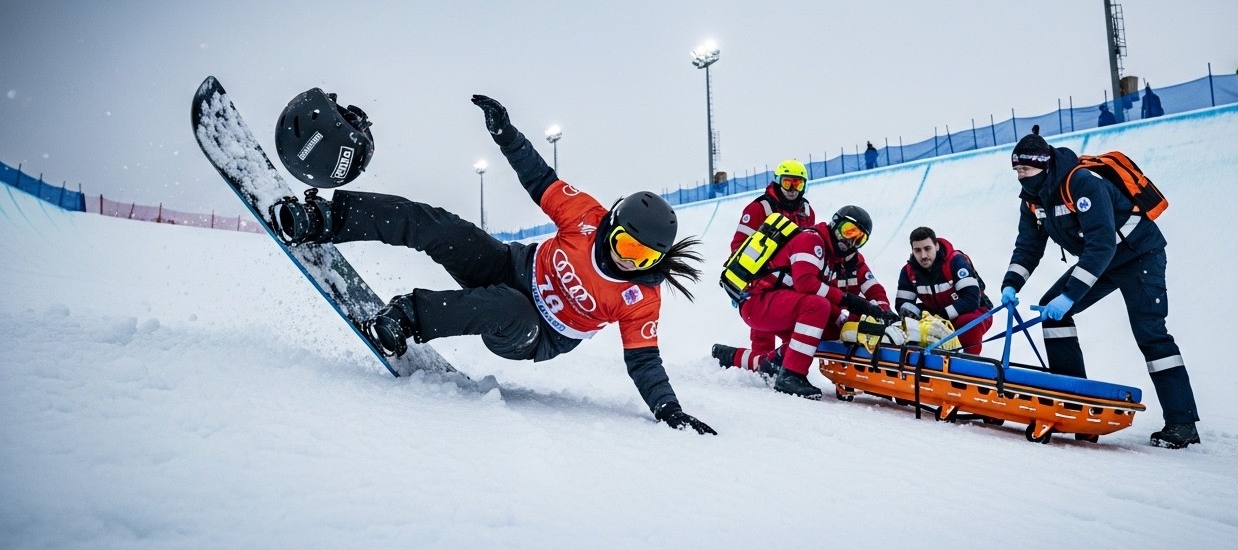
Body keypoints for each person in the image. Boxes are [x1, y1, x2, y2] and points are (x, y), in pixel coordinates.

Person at [267, 93, 716, 435]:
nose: (628, 260)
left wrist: (668, 410)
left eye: (643, 258)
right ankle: (326, 218)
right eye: (624, 245)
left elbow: (645, 363)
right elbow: (539, 177)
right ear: (611, 224)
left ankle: (407, 317)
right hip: (509, 266)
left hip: (535, 333)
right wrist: (506, 133)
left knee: (508, 307)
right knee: (442, 226)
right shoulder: (585, 217)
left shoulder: (640, 298)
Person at [1000, 126, 1201, 448]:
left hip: (1139, 255)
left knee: (1150, 334)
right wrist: (1011, 284)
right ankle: (1073, 400)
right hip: (1104, 261)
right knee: (1053, 314)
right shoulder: (1033, 200)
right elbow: (1027, 246)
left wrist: (1070, 296)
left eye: (1025, 169)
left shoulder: (1081, 183)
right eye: (1017, 170)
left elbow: (1101, 244)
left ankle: (1182, 422)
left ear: (1044, 165)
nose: (1020, 176)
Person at [734, 205, 900, 399]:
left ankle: (770, 361)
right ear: (835, 224)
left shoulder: (842, 258)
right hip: (758, 301)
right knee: (818, 306)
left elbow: (873, 288)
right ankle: (792, 376)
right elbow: (805, 283)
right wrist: (848, 299)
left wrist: (882, 311)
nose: (851, 240)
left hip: (780, 304)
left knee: (835, 329)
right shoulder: (812, 240)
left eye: (859, 239)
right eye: (849, 231)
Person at [712, 160, 815, 374]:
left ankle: (751, 360)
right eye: (788, 184)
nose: (793, 190)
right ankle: (762, 370)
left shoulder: (806, 212)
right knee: (762, 331)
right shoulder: (759, 208)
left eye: (798, 185)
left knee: (798, 332)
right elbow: (738, 245)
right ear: (777, 182)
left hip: (791, 279)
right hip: (761, 280)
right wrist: (752, 278)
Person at [895, 227, 993, 354]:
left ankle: (969, 363)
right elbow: (902, 304)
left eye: (927, 248)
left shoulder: (956, 262)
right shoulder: (909, 271)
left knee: (967, 323)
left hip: (974, 311)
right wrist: (915, 316)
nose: (923, 255)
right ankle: (917, 362)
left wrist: (941, 318)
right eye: (917, 250)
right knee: (905, 323)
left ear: (936, 246)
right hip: (936, 315)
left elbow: (971, 299)